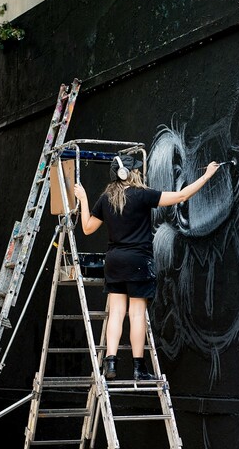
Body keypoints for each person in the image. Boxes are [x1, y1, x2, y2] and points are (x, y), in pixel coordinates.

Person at [74, 154, 219, 380]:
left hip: (114, 262)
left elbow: (87, 228)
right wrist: (207, 175)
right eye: (136, 170)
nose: (139, 172)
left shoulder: (105, 199)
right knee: (137, 314)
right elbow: (182, 195)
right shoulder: (142, 195)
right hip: (137, 262)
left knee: (116, 313)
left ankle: (110, 363)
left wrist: (83, 198)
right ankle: (138, 368)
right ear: (128, 173)